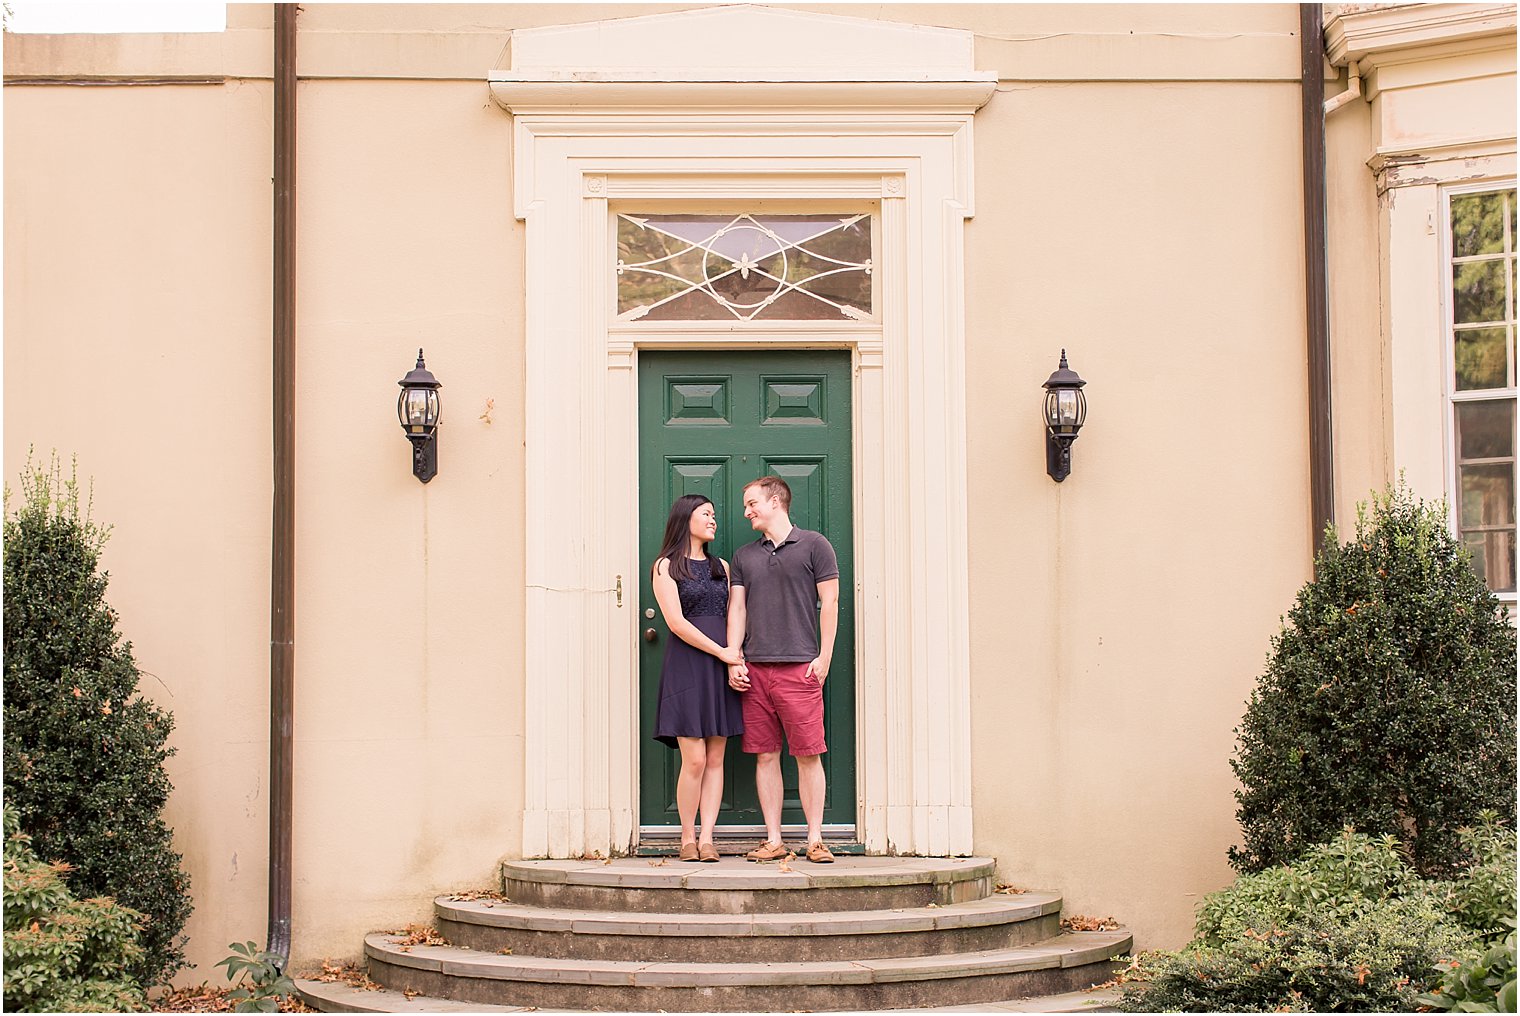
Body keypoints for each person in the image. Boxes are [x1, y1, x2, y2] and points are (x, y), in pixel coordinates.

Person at [726, 476, 840, 864]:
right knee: (764, 755)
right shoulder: (744, 556)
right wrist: (733, 657)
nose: (747, 512)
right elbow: (737, 609)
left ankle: (815, 839)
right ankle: (774, 839)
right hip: (755, 671)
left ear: (776, 501)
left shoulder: (815, 546)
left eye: (752, 503)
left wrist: (824, 657)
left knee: (808, 754)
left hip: (800, 670)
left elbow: (831, 601)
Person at [650, 494, 746, 862]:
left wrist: (733, 657)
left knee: (717, 757)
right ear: (684, 518)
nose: (713, 520)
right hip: (688, 666)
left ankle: (707, 838)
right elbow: (675, 622)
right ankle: (687, 837)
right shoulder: (666, 566)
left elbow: (737, 612)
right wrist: (720, 652)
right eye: (706, 514)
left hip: (721, 666)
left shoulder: (721, 565)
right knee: (694, 759)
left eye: (714, 514)